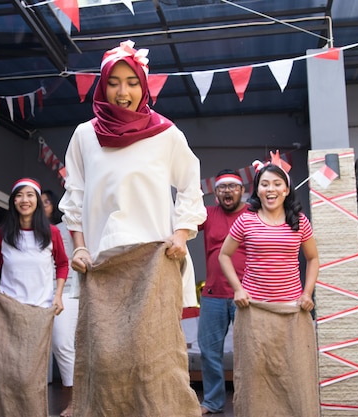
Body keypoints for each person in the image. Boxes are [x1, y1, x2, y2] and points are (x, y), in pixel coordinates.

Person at [58, 40, 207, 416]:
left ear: (144, 86)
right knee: (104, 361)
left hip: (154, 261)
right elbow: (74, 194)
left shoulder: (166, 133)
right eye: (114, 82)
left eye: (131, 82)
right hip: (102, 264)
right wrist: (78, 245)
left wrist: (181, 233)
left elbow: (191, 183)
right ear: (102, 86)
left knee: (153, 361)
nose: (122, 92)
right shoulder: (84, 136)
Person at [218, 157, 320, 417]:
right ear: (257, 190)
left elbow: (313, 258)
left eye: (276, 184)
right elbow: (224, 255)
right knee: (254, 379)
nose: (270, 189)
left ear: (286, 190)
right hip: (255, 313)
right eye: (264, 184)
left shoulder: (299, 221)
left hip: (292, 313)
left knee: (294, 377)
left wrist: (307, 293)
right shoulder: (246, 220)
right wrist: (238, 289)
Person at [0, 178, 69, 417]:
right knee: (2, 373)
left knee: (28, 377)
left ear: (38, 201)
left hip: (38, 312)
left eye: (30, 195)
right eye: (19, 195)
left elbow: (63, 264)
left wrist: (58, 295)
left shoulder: (51, 233)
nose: (25, 200)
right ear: (13, 201)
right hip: (6, 310)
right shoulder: (3, 232)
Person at [197, 169, 249, 415]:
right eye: (222, 187)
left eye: (233, 186)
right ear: (216, 193)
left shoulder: (253, 214)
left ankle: (249, 401)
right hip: (213, 295)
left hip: (247, 295)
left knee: (249, 353)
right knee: (209, 352)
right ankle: (213, 402)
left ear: (242, 191)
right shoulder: (207, 214)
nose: (227, 191)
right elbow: (182, 219)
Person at [42, 189, 78, 417]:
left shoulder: (67, 225)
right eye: (40, 201)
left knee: (62, 343)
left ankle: (75, 401)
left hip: (68, 290)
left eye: (47, 201)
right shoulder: (30, 230)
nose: (42, 204)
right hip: (38, 293)